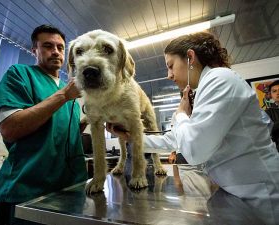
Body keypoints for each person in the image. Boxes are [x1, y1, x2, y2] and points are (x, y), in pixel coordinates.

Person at [106, 32, 279, 221]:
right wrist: (131, 137)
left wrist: (181, 114)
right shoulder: (204, 88)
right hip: (238, 188)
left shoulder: (220, 79)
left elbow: (196, 150)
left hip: (260, 192)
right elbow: (175, 139)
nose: (169, 75)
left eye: (171, 66)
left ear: (190, 57)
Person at [0, 25, 88, 225]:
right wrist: (63, 96)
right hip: (26, 191)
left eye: (60, 47)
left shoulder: (72, 94)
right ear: (34, 50)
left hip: (68, 190)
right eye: (48, 46)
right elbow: (9, 128)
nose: (56, 52)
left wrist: (89, 121)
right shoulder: (20, 74)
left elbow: (61, 132)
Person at [265, 80, 279, 151]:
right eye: (274, 91)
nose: (278, 93)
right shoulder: (267, 112)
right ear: (271, 94)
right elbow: (267, 131)